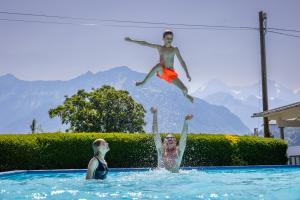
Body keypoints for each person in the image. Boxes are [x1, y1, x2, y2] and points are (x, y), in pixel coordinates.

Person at [125, 30, 194, 103]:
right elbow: (145, 43)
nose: (169, 40)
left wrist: (187, 73)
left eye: (171, 38)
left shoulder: (175, 49)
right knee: (159, 65)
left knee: (184, 90)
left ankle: (186, 95)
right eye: (167, 38)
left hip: (171, 74)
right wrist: (131, 40)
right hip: (162, 72)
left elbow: (181, 61)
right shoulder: (160, 48)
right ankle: (143, 82)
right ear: (163, 39)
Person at [150, 106, 193, 172]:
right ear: (164, 142)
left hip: (175, 178)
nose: (170, 139)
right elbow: (155, 133)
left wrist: (186, 121)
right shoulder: (161, 150)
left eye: (172, 138)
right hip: (160, 177)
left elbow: (183, 138)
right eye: (167, 138)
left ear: (175, 142)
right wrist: (155, 115)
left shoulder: (179, 151)